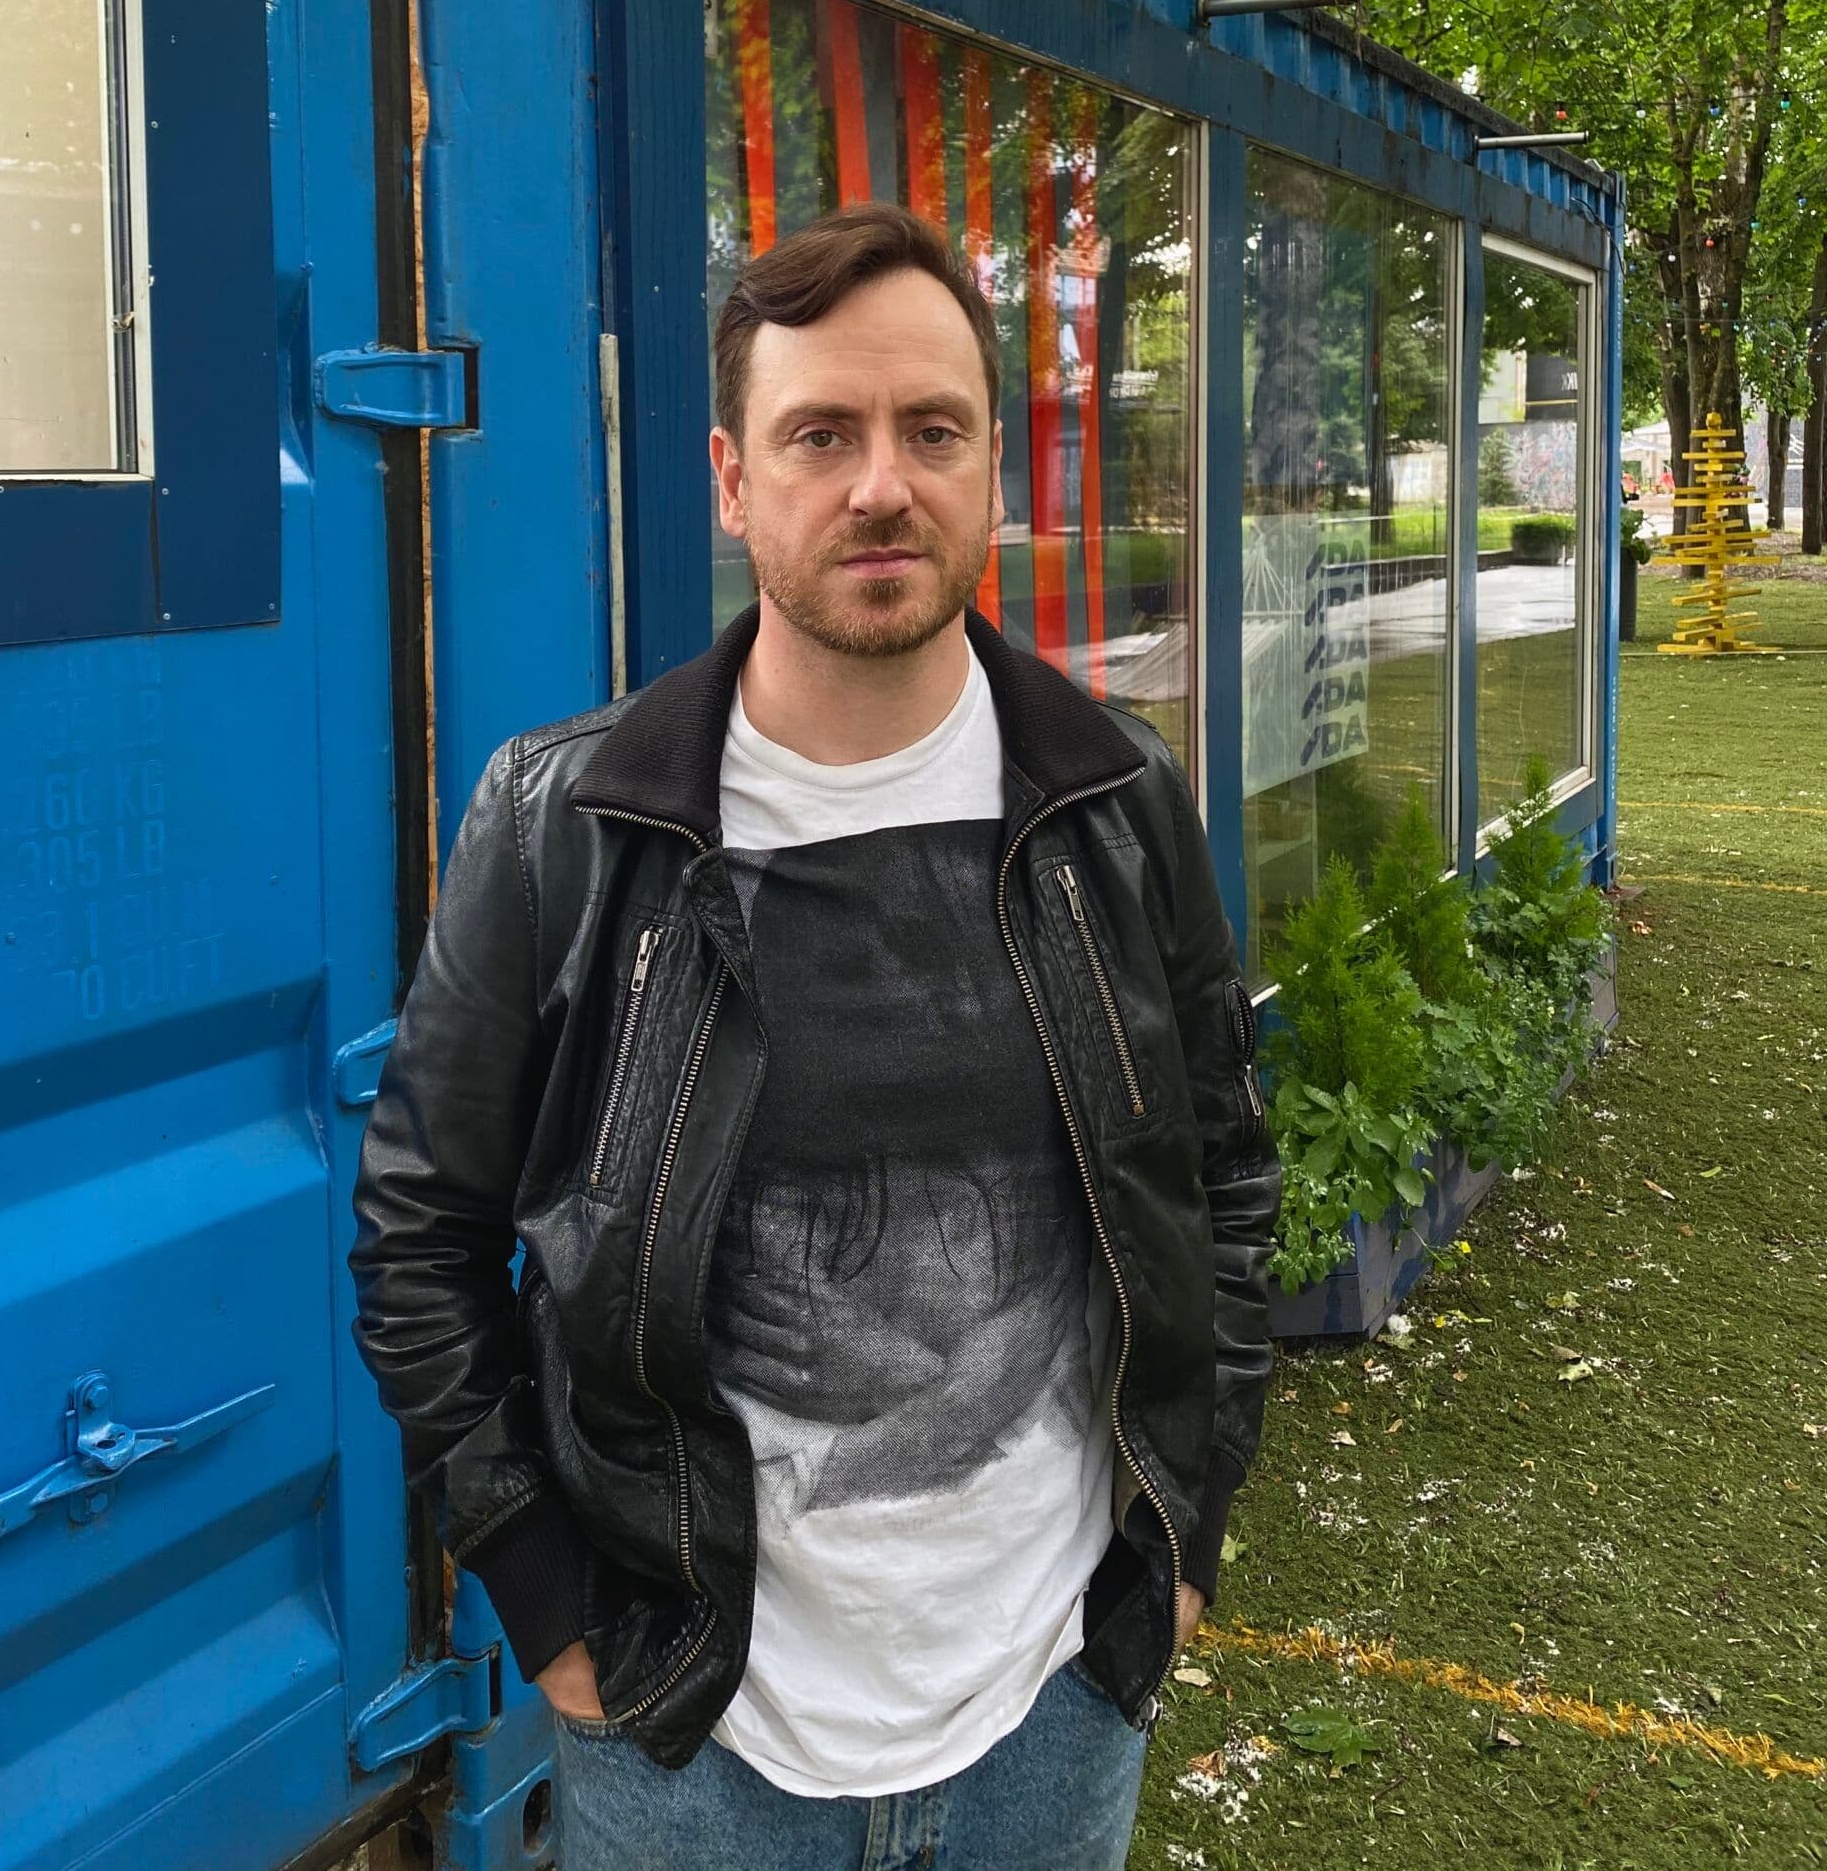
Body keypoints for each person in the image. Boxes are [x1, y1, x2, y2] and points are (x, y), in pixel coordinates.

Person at [350, 202, 1282, 1871]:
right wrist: (550, 1602)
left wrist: (1187, 1534)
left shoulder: (1117, 801)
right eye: (820, 434)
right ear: (733, 479)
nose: (881, 486)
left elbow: (1222, 1178)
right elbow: (421, 1244)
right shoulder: (567, 825)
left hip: (1052, 1713)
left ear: (992, 467)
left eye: (933, 430)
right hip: (697, 1740)